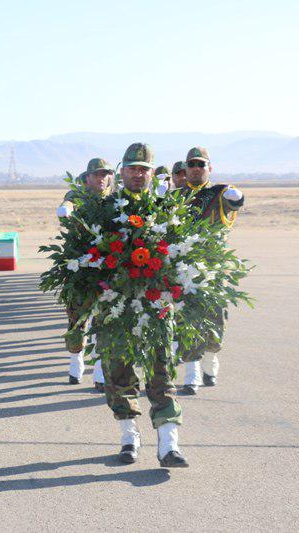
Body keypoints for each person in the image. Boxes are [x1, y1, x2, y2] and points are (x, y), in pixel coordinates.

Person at [98, 143, 187, 468]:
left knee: (161, 372)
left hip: (156, 307)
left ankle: (168, 446)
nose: (138, 173)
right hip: (115, 307)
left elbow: (182, 255)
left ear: (152, 172)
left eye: (143, 168)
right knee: (119, 374)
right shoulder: (104, 210)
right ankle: (129, 437)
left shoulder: (166, 209)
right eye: (132, 168)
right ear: (121, 171)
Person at [178, 146, 244, 394]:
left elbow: (235, 203)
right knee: (187, 320)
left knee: (215, 327)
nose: (196, 169)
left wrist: (237, 198)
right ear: (185, 169)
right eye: (192, 165)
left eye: (201, 165)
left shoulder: (219, 194)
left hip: (213, 270)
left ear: (210, 168)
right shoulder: (175, 197)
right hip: (184, 269)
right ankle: (191, 375)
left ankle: (209, 360)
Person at [56, 158, 113, 390]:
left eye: (105, 174)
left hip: (107, 267)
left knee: (105, 321)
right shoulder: (76, 196)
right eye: (97, 174)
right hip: (79, 266)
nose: (101, 178)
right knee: (76, 321)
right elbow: (67, 206)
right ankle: (75, 362)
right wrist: (66, 212)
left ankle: (99, 372)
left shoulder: (113, 198)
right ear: (87, 177)